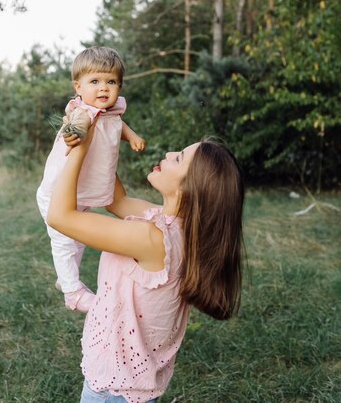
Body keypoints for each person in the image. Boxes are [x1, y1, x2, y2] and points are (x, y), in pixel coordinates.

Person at [47, 124, 245, 403]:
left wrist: (79, 147)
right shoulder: (178, 229)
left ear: (190, 187)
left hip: (112, 390)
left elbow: (60, 216)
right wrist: (101, 133)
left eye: (178, 158)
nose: (168, 153)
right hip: (130, 386)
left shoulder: (154, 239)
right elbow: (116, 200)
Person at [36, 46, 145, 313]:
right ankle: (72, 292)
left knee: (77, 240)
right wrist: (78, 132)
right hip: (57, 193)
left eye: (111, 82)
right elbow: (81, 122)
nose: (103, 88)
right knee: (62, 240)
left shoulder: (113, 111)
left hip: (80, 194)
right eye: (94, 81)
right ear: (78, 87)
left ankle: (65, 278)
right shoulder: (81, 110)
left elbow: (118, 124)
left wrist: (131, 136)